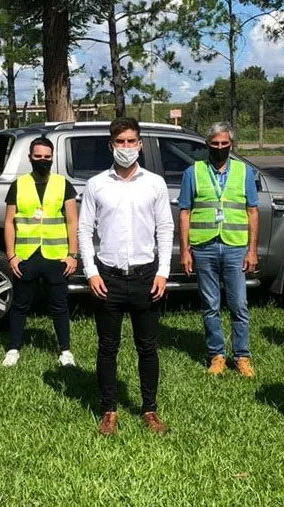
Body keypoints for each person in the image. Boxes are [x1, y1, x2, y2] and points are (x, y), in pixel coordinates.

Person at [78, 117, 174, 435]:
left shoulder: (155, 184)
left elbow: (165, 228)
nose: (126, 147)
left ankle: (149, 409)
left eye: (131, 141)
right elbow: (84, 230)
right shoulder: (96, 185)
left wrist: (163, 272)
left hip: (146, 277)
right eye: (120, 142)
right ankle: (109, 410)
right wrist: (91, 272)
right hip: (108, 278)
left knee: (147, 347)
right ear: (111, 145)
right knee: (108, 347)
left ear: (140, 145)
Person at [177, 122, 258, 378]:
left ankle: (242, 356)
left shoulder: (244, 172)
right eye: (215, 144)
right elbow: (185, 212)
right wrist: (185, 251)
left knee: (239, 305)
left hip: (235, 246)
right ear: (207, 145)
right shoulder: (193, 172)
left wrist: (252, 250)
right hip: (204, 246)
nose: (220, 148)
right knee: (210, 304)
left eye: (224, 143)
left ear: (231, 145)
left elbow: (252, 211)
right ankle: (216, 354)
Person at [2, 137, 79, 367]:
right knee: (20, 304)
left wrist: (73, 255)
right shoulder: (18, 185)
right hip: (26, 255)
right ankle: (13, 349)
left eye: (47, 157)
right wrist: (11, 255)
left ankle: (65, 351)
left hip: (56, 256)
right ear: (30, 158)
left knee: (59, 305)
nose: (43, 160)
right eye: (38, 156)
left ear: (52, 158)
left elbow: (72, 221)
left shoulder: (63, 184)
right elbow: (9, 222)